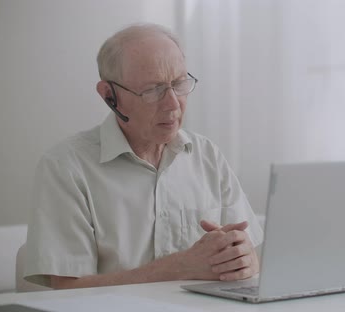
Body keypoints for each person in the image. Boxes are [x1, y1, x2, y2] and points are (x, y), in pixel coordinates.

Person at [23, 23, 263, 289]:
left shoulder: (207, 155)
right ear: (109, 96)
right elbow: (67, 290)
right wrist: (178, 268)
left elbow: (248, 255)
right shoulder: (65, 167)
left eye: (179, 84)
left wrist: (245, 261)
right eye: (153, 90)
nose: (173, 104)